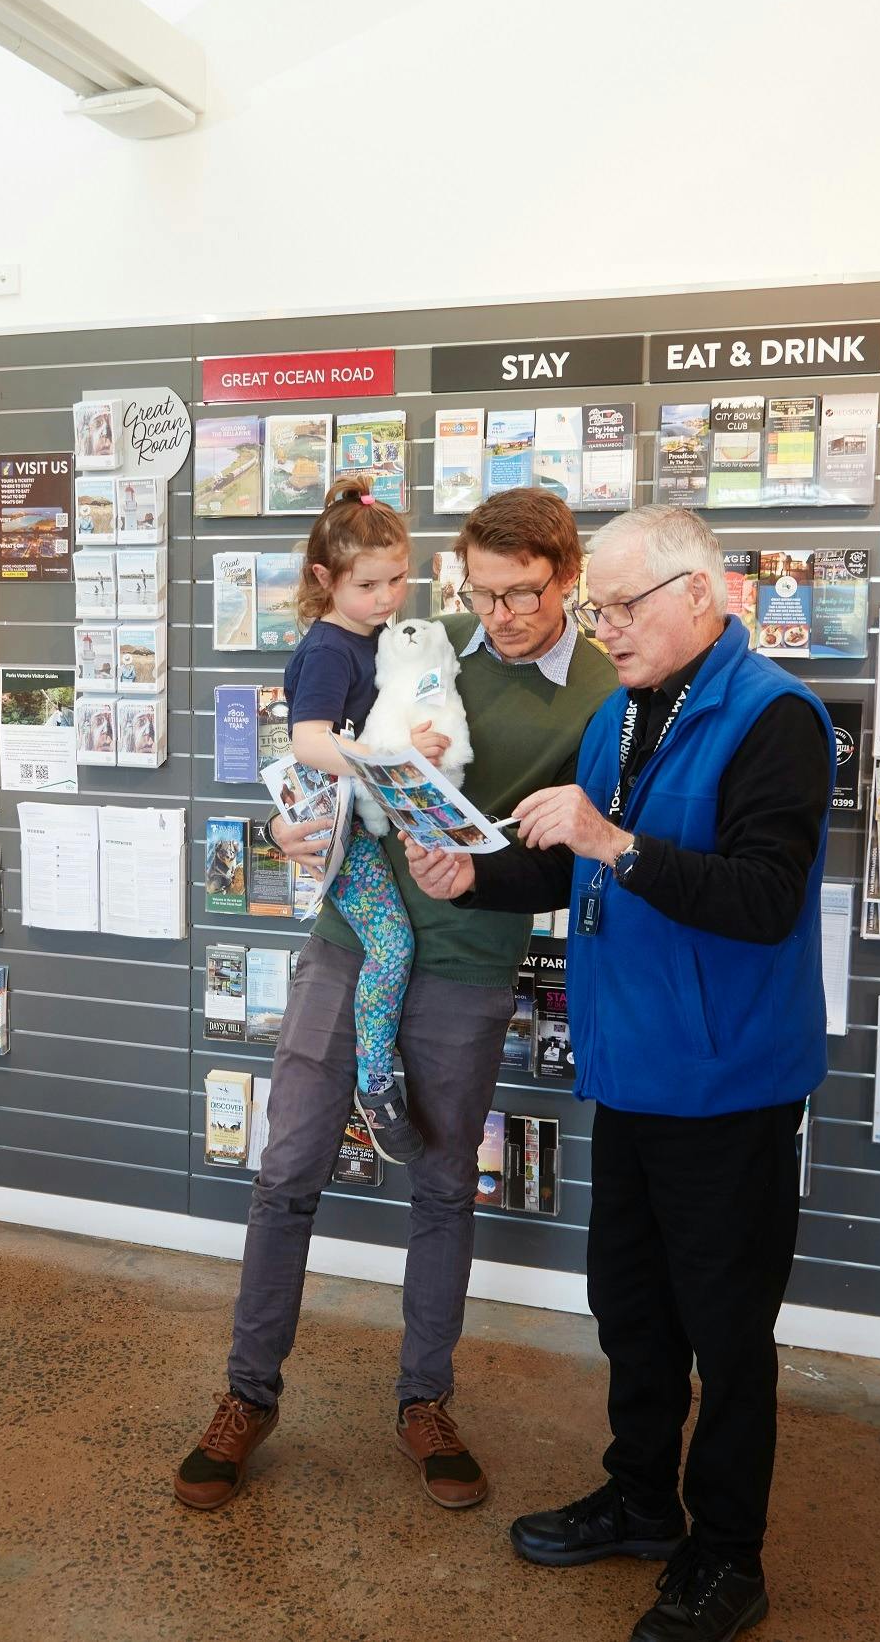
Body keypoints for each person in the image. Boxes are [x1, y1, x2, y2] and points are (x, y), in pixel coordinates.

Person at [406, 506, 832, 1642]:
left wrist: (616, 844)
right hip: (629, 1070)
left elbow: (762, 898)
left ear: (702, 593)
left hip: (729, 1083)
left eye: (621, 607)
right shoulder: (621, 713)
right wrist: (470, 878)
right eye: (597, 608)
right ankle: (642, 1497)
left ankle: (727, 1555)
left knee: (729, 1336)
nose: (605, 626)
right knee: (631, 1312)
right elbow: (561, 862)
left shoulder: (776, 719)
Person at [175, 488, 617, 1514]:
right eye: (481, 590)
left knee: (440, 1183)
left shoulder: (601, 691)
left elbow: (581, 859)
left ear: (568, 579)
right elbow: (321, 745)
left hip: (468, 959)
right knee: (285, 1169)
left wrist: (490, 869)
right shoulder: (419, 633)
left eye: (520, 595)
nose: (496, 616)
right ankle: (246, 1393)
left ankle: (425, 1400)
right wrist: (289, 829)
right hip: (347, 941)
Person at [277, 474, 447, 1163]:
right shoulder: (326, 647)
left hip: (371, 812)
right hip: (338, 827)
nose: (385, 599)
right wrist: (390, 756)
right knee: (394, 946)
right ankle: (375, 1085)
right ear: (325, 578)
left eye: (396, 581)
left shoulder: (380, 638)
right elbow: (308, 740)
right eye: (367, 587)